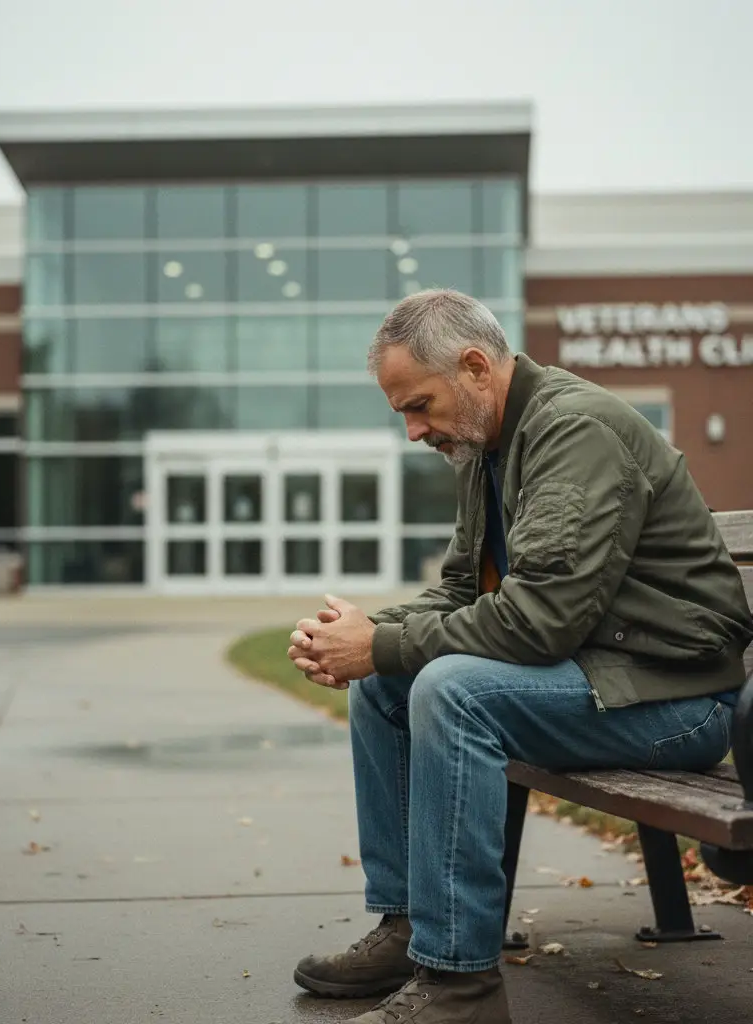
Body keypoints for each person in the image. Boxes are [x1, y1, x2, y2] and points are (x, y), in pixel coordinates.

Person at [286, 289, 753, 1024]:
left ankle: (460, 984)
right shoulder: (487, 445)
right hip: (602, 680)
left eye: (418, 405)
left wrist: (379, 644)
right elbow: (459, 593)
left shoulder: (575, 432)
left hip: (679, 704)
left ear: (475, 366)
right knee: (386, 685)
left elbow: (543, 621)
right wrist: (365, 635)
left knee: (450, 690)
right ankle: (407, 927)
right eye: (403, 411)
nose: (412, 430)